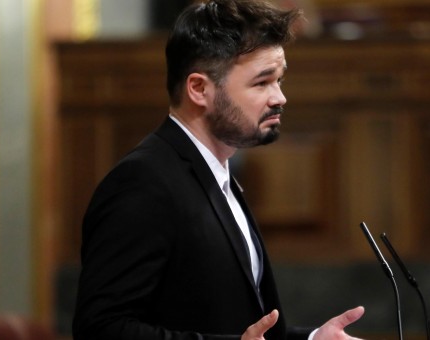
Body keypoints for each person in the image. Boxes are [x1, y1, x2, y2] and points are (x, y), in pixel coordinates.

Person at [72, 0, 365, 339]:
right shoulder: (142, 182)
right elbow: (100, 329)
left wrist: (313, 339)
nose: (280, 97)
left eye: (279, 80)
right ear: (199, 89)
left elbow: (243, 329)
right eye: (262, 83)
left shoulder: (218, 176)